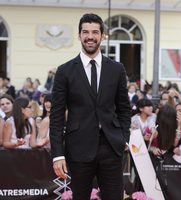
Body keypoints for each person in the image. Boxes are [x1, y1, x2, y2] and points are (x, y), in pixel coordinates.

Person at [50, 13, 131, 200]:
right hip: (78, 149)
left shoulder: (116, 69)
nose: (90, 36)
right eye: (85, 32)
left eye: (95, 32)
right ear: (79, 35)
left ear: (102, 36)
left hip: (111, 148)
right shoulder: (65, 71)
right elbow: (56, 115)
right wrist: (57, 155)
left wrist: (123, 138)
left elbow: (124, 109)